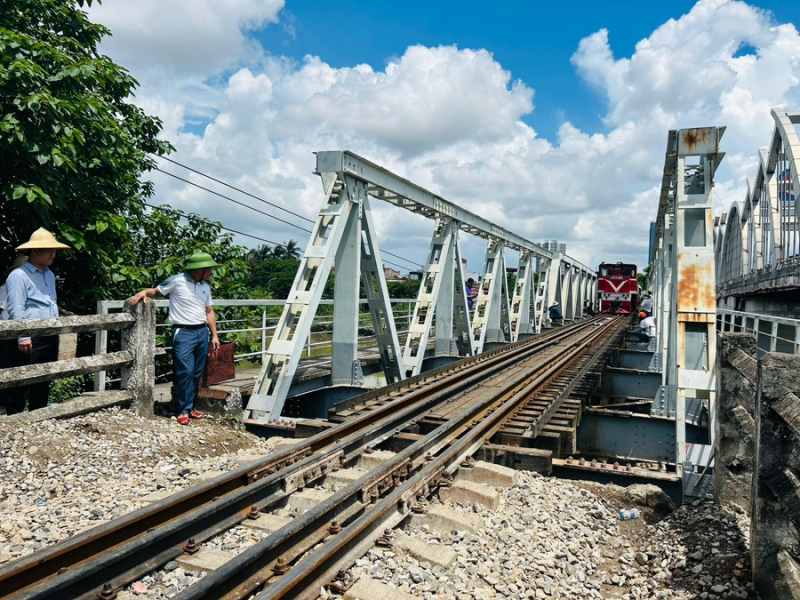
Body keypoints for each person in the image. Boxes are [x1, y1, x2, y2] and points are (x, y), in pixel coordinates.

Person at [129, 251, 220, 425]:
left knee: (196, 373)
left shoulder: (205, 286)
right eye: (209, 268)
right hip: (183, 332)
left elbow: (209, 311)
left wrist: (214, 335)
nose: (211, 272)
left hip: (202, 332)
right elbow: (157, 291)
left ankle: (189, 407)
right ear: (199, 269)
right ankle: (182, 410)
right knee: (184, 370)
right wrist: (143, 293)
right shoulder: (177, 280)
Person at [5, 229, 73, 414]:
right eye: (48, 250)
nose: (53, 254)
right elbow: (17, 308)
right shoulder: (19, 275)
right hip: (30, 336)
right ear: (35, 251)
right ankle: (15, 420)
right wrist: (22, 336)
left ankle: (39, 417)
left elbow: (51, 302)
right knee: (19, 380)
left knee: (44, 378)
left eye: (54, 250)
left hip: (49, 334)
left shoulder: (49, 274)